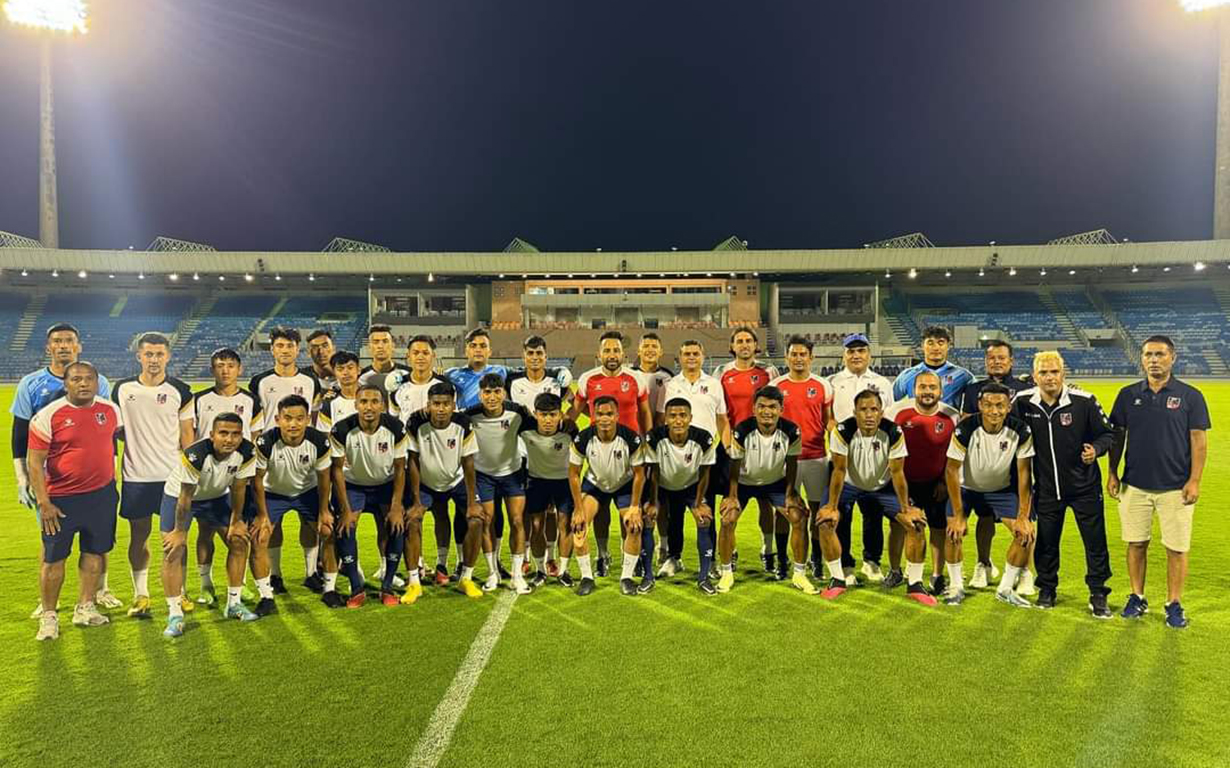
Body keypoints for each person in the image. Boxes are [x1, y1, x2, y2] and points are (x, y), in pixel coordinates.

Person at [12, 323, 116, 615]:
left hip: (95, 481)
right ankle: (48, 601)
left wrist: (111, 469)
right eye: (57, 341)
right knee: (51, 540)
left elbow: (106, 429)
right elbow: (19, 435)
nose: (63, 346)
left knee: (98, 540)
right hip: (50, 480)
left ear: (78, 346)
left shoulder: (99, 381)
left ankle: (100, 591)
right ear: (49, 347)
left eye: (69, 340)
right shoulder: (31, 383)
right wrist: (22, 478)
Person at [1107, 335, 1210, 629]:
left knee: (1176, 548)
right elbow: (1117, 437)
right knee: (1136, 543)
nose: (1154, 360)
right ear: (1141, 359)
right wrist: (1112, 472)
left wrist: (1194, 480)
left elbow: (1198, 441)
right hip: (1134, 485)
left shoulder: (1190, 396)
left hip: (1176, 487)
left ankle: (1173, 603)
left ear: (1172, 358)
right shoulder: (1127, 395)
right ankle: (1137, 596)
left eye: (1160, 354)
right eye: (1148, 354)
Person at [1013, 351, 1114, 616]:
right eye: (1043, 373)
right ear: (1034, 376)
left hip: (1085, 488)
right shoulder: (1023, 403)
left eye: (1054, 372)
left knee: (1095, 542)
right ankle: (1046, 589)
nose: (1049, 377)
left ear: (1063, 374)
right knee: (1047, 543)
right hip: (1046, 489)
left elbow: (1107, 434)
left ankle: (1098, 592)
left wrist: (1096, 450)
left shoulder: (1084, 401)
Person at [27, 362, 122, 641]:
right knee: (54, 559)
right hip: (61, 501)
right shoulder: (48, 415)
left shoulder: (110, 410)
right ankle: (49, 616)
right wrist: (44, 502)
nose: (83, 383)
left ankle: (85, 607)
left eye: (89, 379)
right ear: (65, 384)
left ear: (97, 382)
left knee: (94, 552)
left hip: (102, 496)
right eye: (77, 379)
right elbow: (35, 463)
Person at [817, 389, 936, 605]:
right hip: (849, 484)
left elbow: (897, 472)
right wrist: (832, 506)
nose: (869, 414)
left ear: (881, 412)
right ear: (855, 412)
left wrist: (906, 508)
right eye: (863, 410)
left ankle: (915, 584)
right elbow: (839, 470)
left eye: (874, 409)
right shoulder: (843, 431)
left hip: (883, 487)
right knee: (825, 521)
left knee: (916, 524)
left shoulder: (893, 431)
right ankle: (837, 580)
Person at [112, 332, 196, 618]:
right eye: (148, 354)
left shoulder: (181, 390)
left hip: (172, 478)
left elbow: (187, 435)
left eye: (159, 354)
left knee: (176, 537)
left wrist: (190, 474)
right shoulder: (122, 389)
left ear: (168, 356)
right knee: (139, 536)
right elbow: (117, 430)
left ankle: (180, 591)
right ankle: (141, 594)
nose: (154, 359)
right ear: (139, 356)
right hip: (136, 477)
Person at [158, 413, 258, 637]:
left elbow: (239, 488)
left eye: (235, 434)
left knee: (239, 541)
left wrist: (237, 521)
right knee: (173, 550)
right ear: (212, 435)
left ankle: (234, 604)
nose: (229, 439)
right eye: (223, 433)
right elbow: (185, 497)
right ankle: (175, 615)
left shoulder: (247, 452)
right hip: (179, 497)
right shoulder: (195, 455)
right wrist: (180, 532)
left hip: (216, 497)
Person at [942, 382, 1035, 608]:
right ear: (980, 405)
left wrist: (1023, 515)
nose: (994, 411)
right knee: (952, 531)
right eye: (988, 405)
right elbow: (951, 470)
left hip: (1001, 490)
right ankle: (956, 586)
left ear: (1008, 407)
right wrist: (958, 515)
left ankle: (1005, 589)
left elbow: (1024, 473)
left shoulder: (1021, 430)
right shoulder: (965, 428)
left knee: (1025, 534)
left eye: (1000, 405)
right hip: (966, 489)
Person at [249, 326, 324, 594]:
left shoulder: (310, 381)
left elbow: (314, 418)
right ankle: (276, 575)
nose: (285, 350)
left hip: (303, 458)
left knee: (309, 522)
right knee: (272, 524)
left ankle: (311, 572)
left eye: (290, 346)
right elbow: (255, 421)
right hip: (271, 458)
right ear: (272, 349)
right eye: (280, 346)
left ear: (297, 349)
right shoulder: (260, 381)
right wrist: (257, 449)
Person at [571, 331, 652, 576]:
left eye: (616, 350)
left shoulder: (636, 378)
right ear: (599, 354)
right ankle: (603, 555)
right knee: (600, 511)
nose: (612, 355)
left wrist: (648, 440)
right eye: (607, 350)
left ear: (623, 354)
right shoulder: (588, 379)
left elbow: (644, 412)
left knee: (630, 511)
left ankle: (629, 556)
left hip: (630, 454)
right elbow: (575, 411)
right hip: (600, 454)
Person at [958, 340, 1034, 592]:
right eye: (991, 358)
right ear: (985, 361)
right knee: (985, 516)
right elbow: (966, 423)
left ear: (1011, 361)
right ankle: (983, 563)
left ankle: (1025, 570)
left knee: (1023, 520)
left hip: (1017, 464)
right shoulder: (973, 390)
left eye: (1002, 357)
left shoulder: (1026, 389)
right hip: (984, 465)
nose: (997, 362)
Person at [721, 386, 812, 594]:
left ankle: (800, 574)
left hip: (775, 483)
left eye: (772, 407)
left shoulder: (791, 431)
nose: (767, 411)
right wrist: (732, 496)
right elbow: (734, 466)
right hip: (743, 483)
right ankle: (726, 573)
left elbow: (792, 464)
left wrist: (790, 494)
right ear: (754, 409)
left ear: (781, 409)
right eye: (761, 406)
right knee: (727, 519)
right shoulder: (742, 430)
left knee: (798, 517)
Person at [189, 347, 258, 606]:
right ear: (212, 370)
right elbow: (190, 436)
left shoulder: (251, 400)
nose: (225, 370)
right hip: (207, 478)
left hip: (239, 475)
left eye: (230, 365)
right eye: (220, 365)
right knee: (206, 531)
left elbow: (255, 436)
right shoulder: (199, 399)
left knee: (239, 532)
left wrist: (250, 470)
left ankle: (239, 583)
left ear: (239, 369)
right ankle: (206, 586)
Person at [329, 385, 409, 608]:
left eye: (374, 401)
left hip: (385, 485)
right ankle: (356, 587)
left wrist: (396, 507)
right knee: (345, 527)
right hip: (353, 486)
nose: (369, 407)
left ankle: (387, 585)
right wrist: (345, 510)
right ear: (356, 405)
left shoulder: (396, 428)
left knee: (396, 525)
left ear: (383, 405)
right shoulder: (341, 429)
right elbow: (336, 470)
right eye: (363, 402)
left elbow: (400, 468)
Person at [770, 336, 842, 583]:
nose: (798, 358)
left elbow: (827, 419)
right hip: (784, 460)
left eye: (803, 354)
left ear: (811, 357)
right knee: (783, 511)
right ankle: (782, 561)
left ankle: (816, 560)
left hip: (816, 457)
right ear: (786, 357)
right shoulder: (776, 386)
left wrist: (839, 436)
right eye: (794, 354)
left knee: (816, 511)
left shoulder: (823, 386)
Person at [405, 380, 486, 600]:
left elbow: (468, 462)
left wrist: (472, 502)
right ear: (428, 404)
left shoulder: (464, 423)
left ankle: (466, 578)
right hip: (426, 483)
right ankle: (414, 583)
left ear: (453, 405)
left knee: (477, 520)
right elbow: (412, 460)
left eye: (446, 404)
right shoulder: (415, 422)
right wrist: (416, 501)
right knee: (412, 521)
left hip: (456, 481)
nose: (441, 409)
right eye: (436, 404)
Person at [826, 332, 895, 583]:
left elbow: (888, 419)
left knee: (873, 511)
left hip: (875, 457)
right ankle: (845, 564)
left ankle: (872, 561)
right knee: (841, 512)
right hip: (842, 457)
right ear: (844, 355)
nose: (856, 355)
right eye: (851, 351)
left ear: (869, 355)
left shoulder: (882, 383)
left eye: (861, 351)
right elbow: (828, 418)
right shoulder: (832, 382)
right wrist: (839, 437)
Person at [254, 395, 334, 605]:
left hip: (307, 492)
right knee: (263, 534)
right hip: (273, 493)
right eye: (287, 418)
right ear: (277, 419)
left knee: (326, 530)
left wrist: (324, 510)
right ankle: (273, 580)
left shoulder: (319, 441)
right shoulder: (265, 442)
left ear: (308, 419)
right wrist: (262, 515)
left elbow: (324, 477)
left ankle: (315, 577)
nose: (293, 424)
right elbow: (257, 479)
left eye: (299, 418)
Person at [656, 340, 727, 578]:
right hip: (675, 457)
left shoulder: (714, 384)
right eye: (686, 354)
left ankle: (710, 561)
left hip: (705, 457)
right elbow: (661, 419)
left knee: (706, 510)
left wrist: (727, 447)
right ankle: (674, 558)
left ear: (703, 356)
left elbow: (722, 419)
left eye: (695, 353)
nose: (691, 357)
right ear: (680, 357)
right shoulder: (670, 385)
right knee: (674, 513)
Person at [505, 335, 573, 578]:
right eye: (530, 353)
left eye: (539, 354)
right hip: (522, 453)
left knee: (552, 512)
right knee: (526, 512)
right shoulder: (512, 381)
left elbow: (573, 403)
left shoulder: (557, 380)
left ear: (546, 356)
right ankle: (525, 557)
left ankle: (551, 557)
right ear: (524, 356)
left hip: (550, 452)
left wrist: (568, 419)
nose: (535, 358)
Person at [714, 327, 781, 575]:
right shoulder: (722, 372)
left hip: (763, 444)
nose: (744, 344)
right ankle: (729, 553)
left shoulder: (768, 371)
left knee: (766, 502)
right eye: (739, 341)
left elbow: (776, 406)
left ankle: (768, 550)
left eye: (749, 340)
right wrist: (727, 444)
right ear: (732, 346)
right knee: (730, 502)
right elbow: (720, 413)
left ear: (755, 345)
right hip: (732, 445)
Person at [885, 371, 959, 593]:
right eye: (923, 387)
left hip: (937, 483)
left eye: (932, 387)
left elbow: (956, 453)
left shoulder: (952, 416)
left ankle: (937, 576)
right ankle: (895, 570)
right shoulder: (896, 412)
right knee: (900, 525)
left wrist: (944, 482)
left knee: (939, 528)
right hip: (904, 483)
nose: (927, 391)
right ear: (914, 390)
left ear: (941, 391)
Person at [568, 396, 648, 596]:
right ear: (593, 416)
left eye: (609, 414)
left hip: (624, 485)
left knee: (634, 526)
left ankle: (627, 577)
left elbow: (640, 474)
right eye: (600, 414)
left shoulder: (630, 438)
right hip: (595, 485)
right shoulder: (583, 439)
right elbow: (574, 474)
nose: (605, 418)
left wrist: (635, 507)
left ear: (617, 416)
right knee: (578, 527)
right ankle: (587, 577)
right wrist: (578, 509)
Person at [464, 373, 532, 594]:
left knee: (517, 521)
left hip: (512, 474)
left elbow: (540, 426)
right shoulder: (469, 415)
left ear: (504, 393)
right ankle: (493, 573)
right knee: (487, 522)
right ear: (479, 394)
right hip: (483, 476)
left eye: (496, 392)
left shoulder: (518, 412)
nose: (492, 397)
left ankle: (517, 576)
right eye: (487, 392)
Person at [645, 398, 717, 593]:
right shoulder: (654, 437)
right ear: (666, 419)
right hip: (663, 485)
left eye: (683, 416)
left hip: (691, 486)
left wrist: (699, 502)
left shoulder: (703, 438)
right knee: (649, 518)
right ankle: (649, 575)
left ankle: (705, 576)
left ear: (690, 418)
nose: (678, 420)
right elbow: (654, 472)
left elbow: (705, 473)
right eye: (673, 416)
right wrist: (653, 502)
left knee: (704, 519)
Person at [518, 393, 579, 587]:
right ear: (535, 414)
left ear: (560, 415)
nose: (547, 420)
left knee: (565, 525)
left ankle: (563, 571)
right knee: (536, 526)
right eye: (543, 415)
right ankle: (540, 571)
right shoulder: (525, 428)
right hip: (537, 482)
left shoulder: (570, 431)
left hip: (563, 482)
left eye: (552, 415)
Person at [891, 326, 973, 409]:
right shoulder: (908, 375)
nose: (935, 348)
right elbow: (890, 401)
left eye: (941, 343)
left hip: (950, 417)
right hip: (916, 417)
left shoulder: (962, 376)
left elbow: (976, 398)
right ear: (922, 346)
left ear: (948, 345)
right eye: (930, 343)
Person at [445, 327, 508, 411]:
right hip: (466, 417)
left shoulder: (500, 370)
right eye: (473, 346)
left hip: (492, 418)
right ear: (466, 351)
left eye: (483, 346)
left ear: (490, 352)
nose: (478, 350)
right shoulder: (452, 374)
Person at [392, 335, 449, 422]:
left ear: (433, 356)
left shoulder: (444, 385)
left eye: (425, 353)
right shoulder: (397, 385)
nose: (420, 357)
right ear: (408, 356)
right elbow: (394, 417)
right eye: (415, 353)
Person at [358, 324, 411, 400]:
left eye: (385, 341)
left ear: (393, 346)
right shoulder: (361, 377)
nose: (380, 346)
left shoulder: (407, 373)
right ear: (369, 347)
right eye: (376, 342)